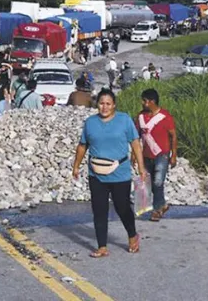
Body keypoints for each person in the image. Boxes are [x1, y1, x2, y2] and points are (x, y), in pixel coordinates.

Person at [71, 88, 146, 257]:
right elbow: (82, 146)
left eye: (108, 104)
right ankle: (102, 246)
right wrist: (76, 166)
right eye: (101, 103)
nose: (104, 107)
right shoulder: (90, 122)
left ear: (114, 105)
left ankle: (132, 234)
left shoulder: (124, 120)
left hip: (120, 173)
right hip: (96, 173)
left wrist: (141, 168)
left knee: (122, 207)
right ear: (97, 104)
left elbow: (135, 143)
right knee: (99, 210)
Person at [135, 89, 177, 221]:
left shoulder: (165, 117)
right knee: (149, 184)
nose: (142, 103)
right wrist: (134, 154)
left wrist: (173, 155)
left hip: (162, 155)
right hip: (146, 155)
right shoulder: (141, 117)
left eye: (144, 101)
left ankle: (157, 210)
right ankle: (162, 204)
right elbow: (136, 137)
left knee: (158, 182)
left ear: (152, 102)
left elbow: (173, 136)